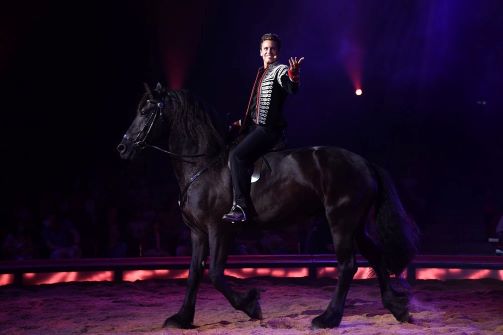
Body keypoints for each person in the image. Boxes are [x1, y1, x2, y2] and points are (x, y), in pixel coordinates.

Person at [223, 33, 304, 223]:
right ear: (260, 52)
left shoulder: (280, 70)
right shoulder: (262, 73)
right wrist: (241, 124)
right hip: (256, 128)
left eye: (273, 48)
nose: (269, 51)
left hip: (269, 131)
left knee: (236, 155)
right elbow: (256, 109)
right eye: (266, 48)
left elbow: (291, 88)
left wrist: (293, 76)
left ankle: (241, 207)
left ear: (278, 52)